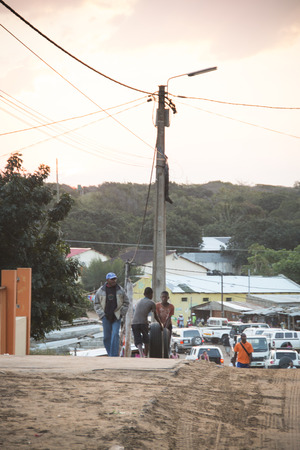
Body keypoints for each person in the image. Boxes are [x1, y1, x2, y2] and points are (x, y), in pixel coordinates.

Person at [94, 272, 129, 357]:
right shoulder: (101, 291)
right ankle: (110, 354)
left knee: (115, 335)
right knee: (106, 337)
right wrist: (101, 314)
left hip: (116, 316)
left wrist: (121, 313)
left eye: (115, 279)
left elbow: (126, 302)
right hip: (105, 316)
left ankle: (114, 355)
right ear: (107, 280)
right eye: (112, 279)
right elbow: (96, 303)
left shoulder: (120, 290)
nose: (114, 281)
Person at [131, 287, 163, 357]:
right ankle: (146, 355)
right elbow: (155, 316)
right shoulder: (152, 303)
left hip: (134, 323)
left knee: (138, 339)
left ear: (144, 294)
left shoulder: (139, 301)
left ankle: (141, 353)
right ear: (151, 294)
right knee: (146, 339)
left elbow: (138, 312)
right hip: (143, 322)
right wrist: (160, 324)